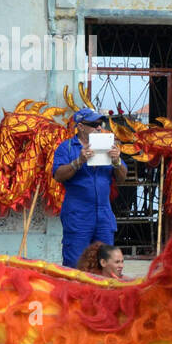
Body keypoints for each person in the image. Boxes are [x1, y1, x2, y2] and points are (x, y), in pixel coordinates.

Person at [51, 110, 127, 268]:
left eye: (101, 124)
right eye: (94, 124)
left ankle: (103, 293)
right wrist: (79, 161)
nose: (99, 128)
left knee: (107, 263)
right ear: (80, 126)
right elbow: (58, 175)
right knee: (75, 263)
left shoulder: (108, 146)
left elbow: (122, 178)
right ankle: (74, 293)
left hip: (103, 215)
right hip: (78, 215)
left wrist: (117, 161)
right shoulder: (67, 148)